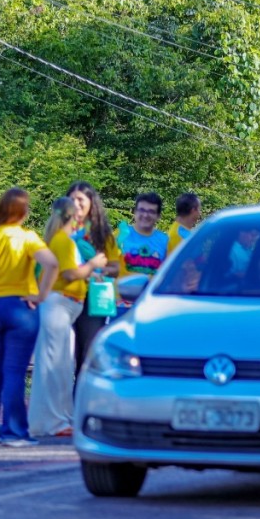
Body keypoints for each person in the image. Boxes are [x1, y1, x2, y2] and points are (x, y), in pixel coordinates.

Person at [0, 188, 57, 446]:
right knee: (14, 371)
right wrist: (40, 295)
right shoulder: (27, 238)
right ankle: (14, 431)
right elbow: (51, 264)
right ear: (24, 212)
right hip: (20, 306)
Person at [28, 197, 105, 437]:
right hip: (58, 306)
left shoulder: (65, 241)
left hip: (66, 307)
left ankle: (60, 417)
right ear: (72, 216)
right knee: (52, 365)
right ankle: (51, 421)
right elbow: (71, 274)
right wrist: (93, 264)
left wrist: (90, 276)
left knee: (61, 365)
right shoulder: (63, 241)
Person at [66, 182, 120, 377]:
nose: (76, 203)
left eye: (80, 199)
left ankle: (80, 400)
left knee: (86, 352)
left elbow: (115, 268)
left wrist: (97, 269)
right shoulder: (60, 229)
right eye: (72, 199)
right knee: (62, 356)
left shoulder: (102, 233)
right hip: (63, 295)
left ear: (91, 203)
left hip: (92, 298)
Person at [116, 192, 170, 282]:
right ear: (135, 212)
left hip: (149, 295)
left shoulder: (165, 241)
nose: (145, 215)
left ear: (158, 216)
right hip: (121, 294)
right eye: (142, 210)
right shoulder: (121, 234)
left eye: (151, 212)